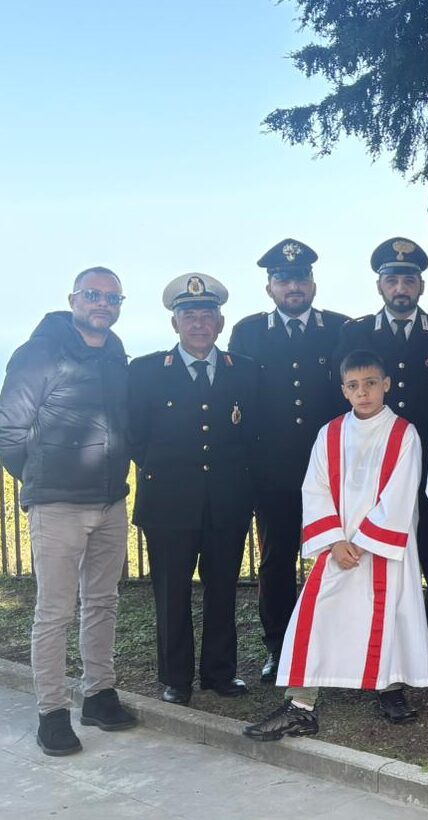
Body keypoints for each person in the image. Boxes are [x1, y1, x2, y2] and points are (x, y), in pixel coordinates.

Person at [243, 350, 428, 740]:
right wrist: (333, 541)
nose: (363, 392)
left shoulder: (404, 433)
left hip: (383, 548)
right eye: (354, 386)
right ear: (343, 390)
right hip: (339, 546)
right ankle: (300, 705)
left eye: (371, 384)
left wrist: (363, 542)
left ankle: (390, 688)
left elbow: (401, 493)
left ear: (386, 385)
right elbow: (314, 488)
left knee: (389, 615)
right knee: (318, 615)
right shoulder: (330, 433)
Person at [0, 267, 136, 755]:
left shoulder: (115, 351)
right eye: (93, 295)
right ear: (73, 298)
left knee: (102, 602)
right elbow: (9, 430)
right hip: (57, 503)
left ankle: (98, 695)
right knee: (54, 612)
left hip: (110, 500)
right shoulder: (39, 352)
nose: (103, 304)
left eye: (112, 298)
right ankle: (52, 713)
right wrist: (42, 479)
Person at [128, 274, 259, 705]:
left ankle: (220, 673)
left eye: (207, 315)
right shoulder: (146, 372)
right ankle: (176, 678)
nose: (199, 323)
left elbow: (253, 436)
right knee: (172, 593)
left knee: (222, 590)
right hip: (168, 503)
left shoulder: (245, 371)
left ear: (220, 323)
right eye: (189, 315)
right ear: (175, 323)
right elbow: (134, 436)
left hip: (227, 501)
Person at [334, 238, 428, 661]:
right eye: (392, 280)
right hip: (377, 465)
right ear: (380, 286)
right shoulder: (355, 333)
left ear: (421, 285)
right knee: (380, 549)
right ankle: (381, 634)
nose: (400, 288)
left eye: (409, 280)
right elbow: (345, 396)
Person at [228, 239, 351, 683]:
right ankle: (279, 647)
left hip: (332, 470)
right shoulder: (248, 333)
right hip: (274, 473)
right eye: (283, 279)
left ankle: (337, 644)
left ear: (313, 284)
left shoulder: (339, 328)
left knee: (339, 556)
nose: (293, 286)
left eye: (300, 278)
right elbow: (238, 399)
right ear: (270, 288)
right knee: (276, 561)